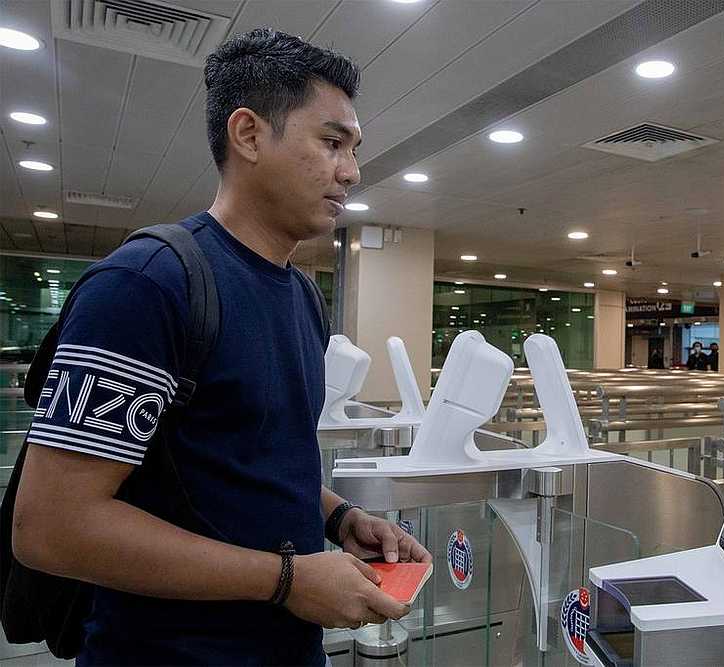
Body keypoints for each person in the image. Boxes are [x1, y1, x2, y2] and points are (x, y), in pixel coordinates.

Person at [12, 28, 429, 665]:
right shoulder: (148, 285)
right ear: (249, 134)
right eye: (332, 141)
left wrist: (340, 519)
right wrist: (288, 580)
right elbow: (53, 527)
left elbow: (240, 460)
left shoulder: (301, 298)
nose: (352, 170)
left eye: (353, 147)